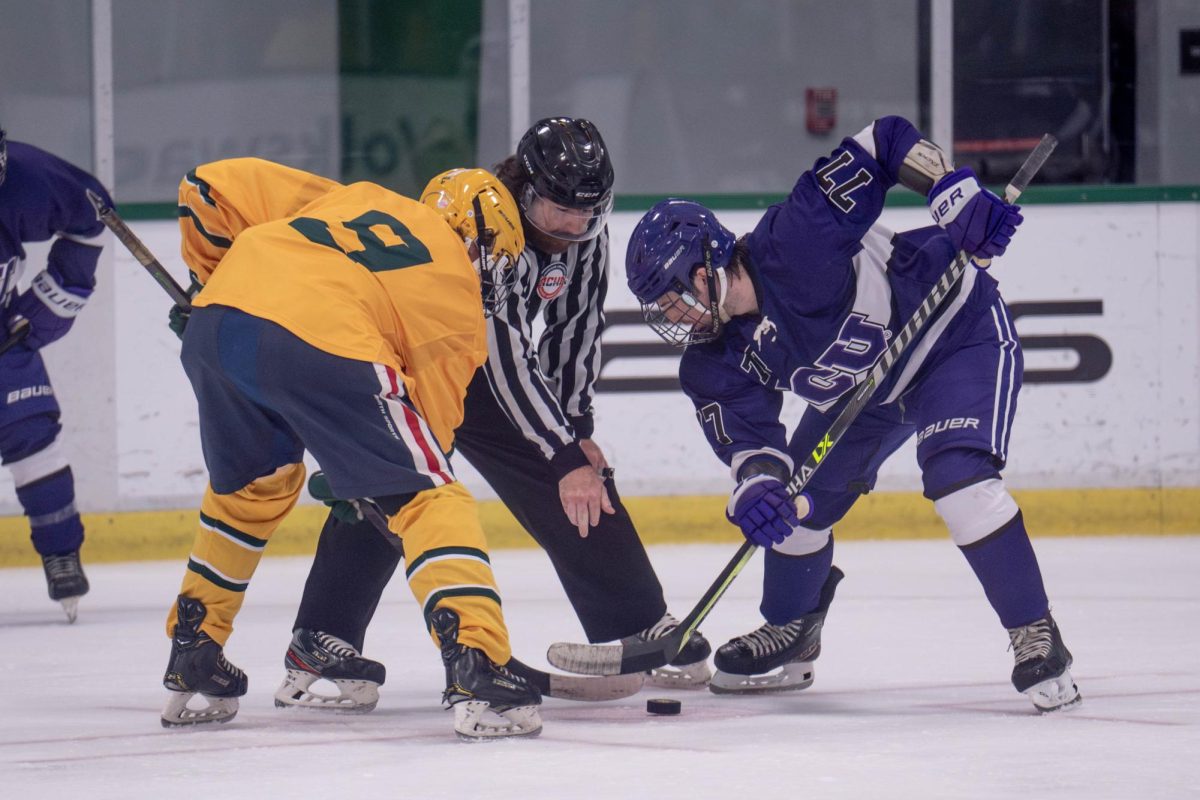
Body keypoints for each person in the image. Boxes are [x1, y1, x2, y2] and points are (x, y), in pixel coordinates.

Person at [623, 116, 1081, 713]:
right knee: (796, 500)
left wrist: (952, 193)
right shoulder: (712, 363)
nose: (673, 318)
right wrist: (757, 487)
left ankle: (1034, 632)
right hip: (867, 392)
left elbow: (885, 142)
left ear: (705, 269)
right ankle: (794, 629)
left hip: (953, 334)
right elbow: (753, 443)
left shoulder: (796, 239)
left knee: (958, 475)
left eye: (672, 299)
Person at [275, 117, 711, 714]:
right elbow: (499, 343)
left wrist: (573, 433)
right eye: (559, 210)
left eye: (588, 213)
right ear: (524, 189)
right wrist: (559, 448)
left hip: (471, 360)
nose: (573, 227)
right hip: (407, 357)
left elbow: (575, 329)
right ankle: (321, 638)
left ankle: (640, 622)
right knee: (394, 485)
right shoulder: (482, 215)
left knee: (576, 473)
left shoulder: (583, 230)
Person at [160, 159, 542, 740]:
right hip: (323, 334)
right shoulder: (458, 299)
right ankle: (477, 660)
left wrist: (208, 281)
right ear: (477, 241)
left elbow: (207, 185)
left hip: (217, 328)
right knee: (430, 497)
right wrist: (359, 479)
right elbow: (424, 456)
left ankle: (195, 647)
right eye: (493, 256)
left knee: (250, 493)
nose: (488, 271)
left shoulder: (355, 197)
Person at [0, 128, 111, 623]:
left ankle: (60, 553)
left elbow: (92, 213)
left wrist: (49, 305)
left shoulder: (25, 177)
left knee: (35, 441)